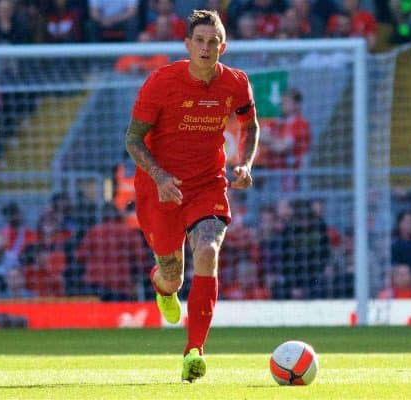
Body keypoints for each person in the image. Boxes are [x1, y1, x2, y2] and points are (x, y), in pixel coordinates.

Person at [124, 10, 259, 382]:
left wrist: (245, 163)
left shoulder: (235, 84)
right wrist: (160, 175)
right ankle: (161, 285)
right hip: (159, 188)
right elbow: (132, 139)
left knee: (207, 250)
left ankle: (194, 351)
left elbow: (250, 125)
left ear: (222, 46)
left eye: (212, 42)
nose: (205, 47)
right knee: (173, 276)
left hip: (206, 184)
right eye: (199, 41)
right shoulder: (161, 82)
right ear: (187, 45)